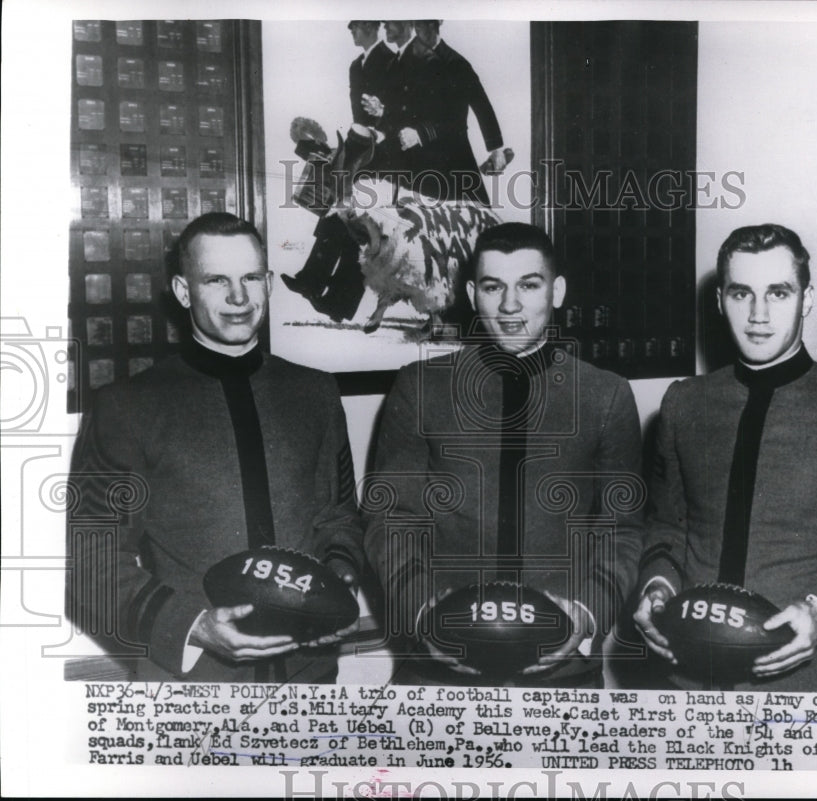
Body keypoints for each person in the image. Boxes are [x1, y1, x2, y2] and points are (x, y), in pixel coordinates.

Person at [66, 212, 365, 682]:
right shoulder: (127, 406)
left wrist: (337, 582)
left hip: (311, 674)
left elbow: (337, 515)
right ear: (184, 291)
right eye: (216, 280)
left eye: (250, 277)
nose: (239, 297)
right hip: (194, 684)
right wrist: (195, 626)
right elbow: (90, 557)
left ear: (267, 282)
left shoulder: (314, 391)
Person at [633, 223, 817, 692]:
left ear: (806, 299)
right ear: (719, 302)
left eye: (778, 293)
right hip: (683, 676)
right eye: (740, 294)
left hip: (801, 688)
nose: (758, 314)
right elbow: (667, 525)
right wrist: (657, 585)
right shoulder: (683, 403)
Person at [364, 222, 644, 687]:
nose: (510, 305)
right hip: (441, 667)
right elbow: (389, 518)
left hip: (562, 672)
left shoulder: (605, 395)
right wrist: (421, 610)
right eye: (494, 287)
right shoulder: (419, 387)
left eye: (528, 285)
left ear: (556, 291)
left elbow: (622, 529)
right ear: (473, 294)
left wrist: (587, 613)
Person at [362, 20, 507, 203]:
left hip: (450, 158)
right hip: (415, 157)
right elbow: (410, 110)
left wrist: (495, 148)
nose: (416, 31)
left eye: (421, 25)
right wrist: (384, 111)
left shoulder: (454, 63)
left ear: (434, 25)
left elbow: (479, 106)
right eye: (416, 26)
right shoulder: (407, 61)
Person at [347, 21, 395, 128]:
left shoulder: (391, 60)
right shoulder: (355, 66)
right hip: (362, 139)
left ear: (369, 26)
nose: (352, 31)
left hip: (385, 139)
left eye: (355, 26)